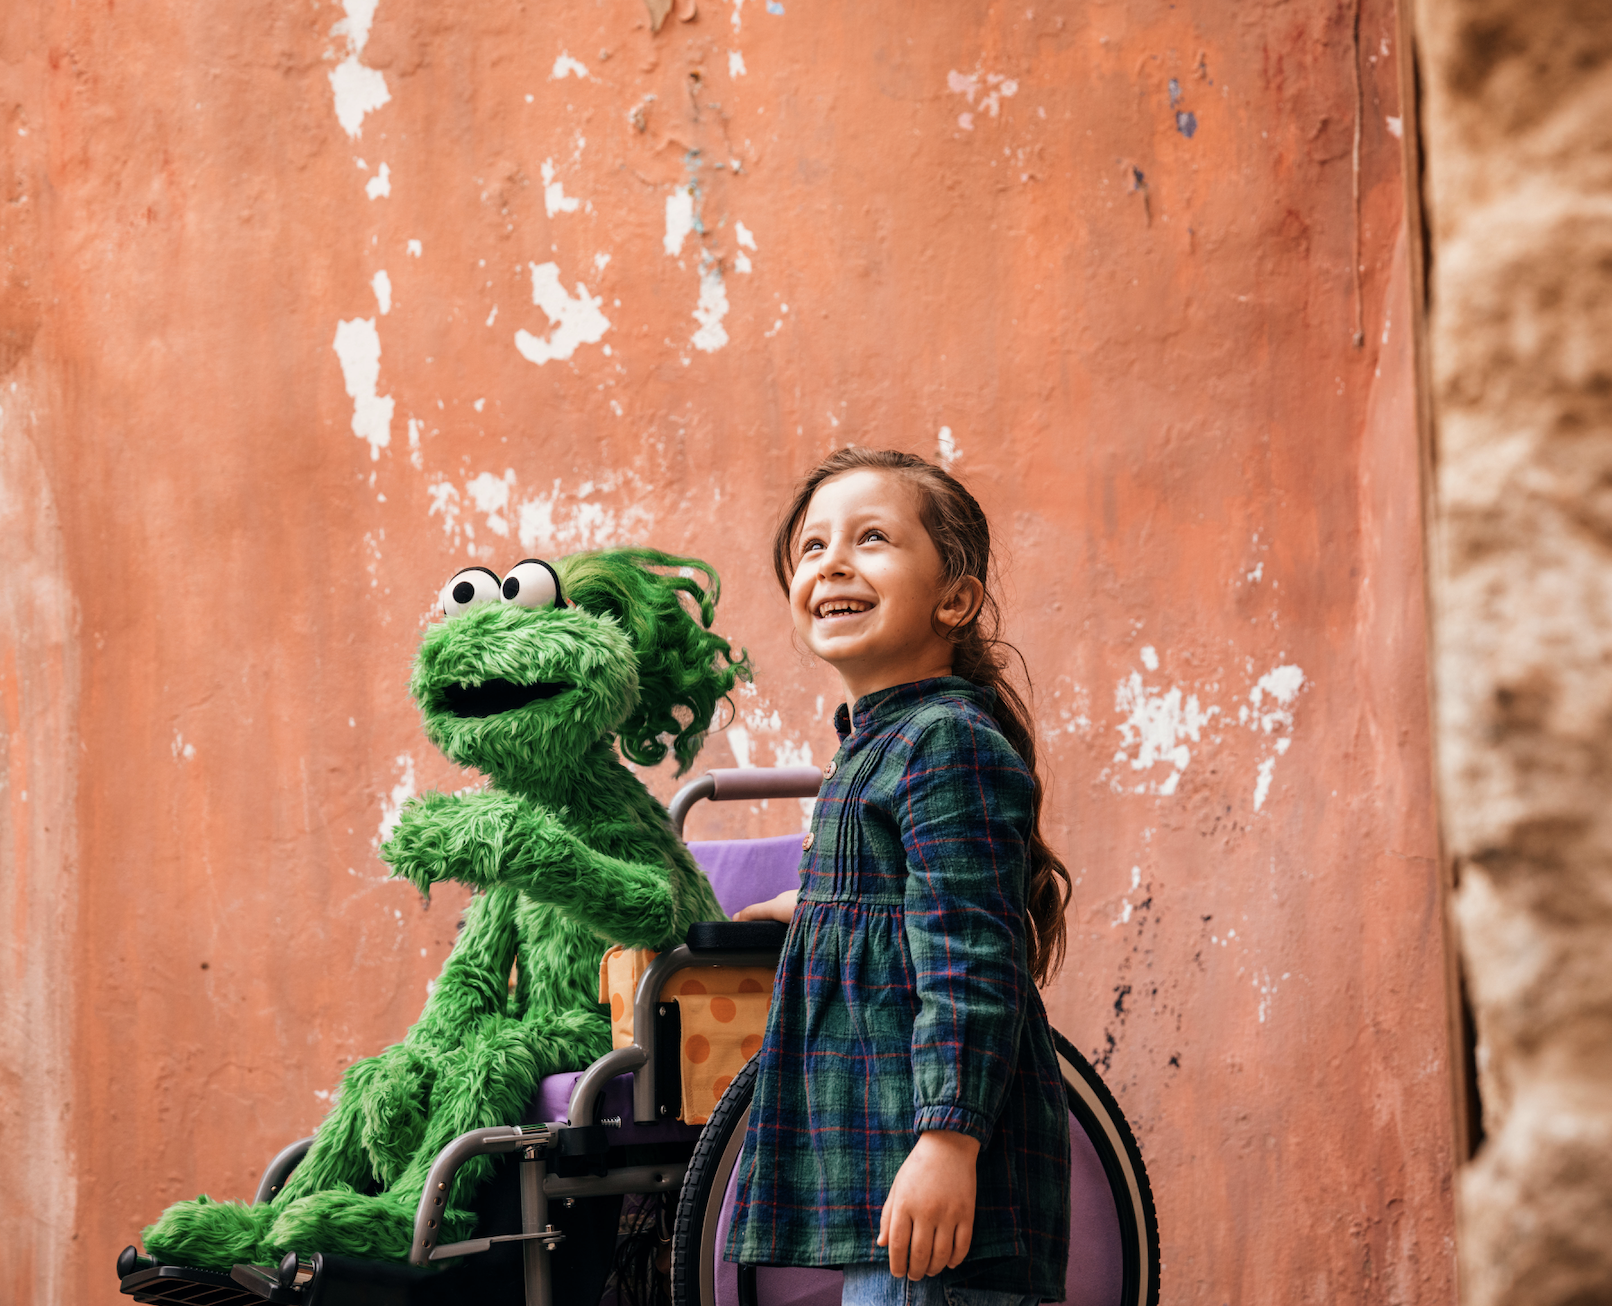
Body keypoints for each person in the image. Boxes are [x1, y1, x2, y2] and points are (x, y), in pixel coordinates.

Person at [726, 447, 1073, 1306]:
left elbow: (969, 957)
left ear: (953, 599)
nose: (832, 562)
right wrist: (812, 910)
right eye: (811, 548)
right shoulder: (876, 745)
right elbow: (903, 902)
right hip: (887, 1178)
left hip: (936, 1180)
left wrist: (948, 1140)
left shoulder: (944, 742)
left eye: (872, 538)